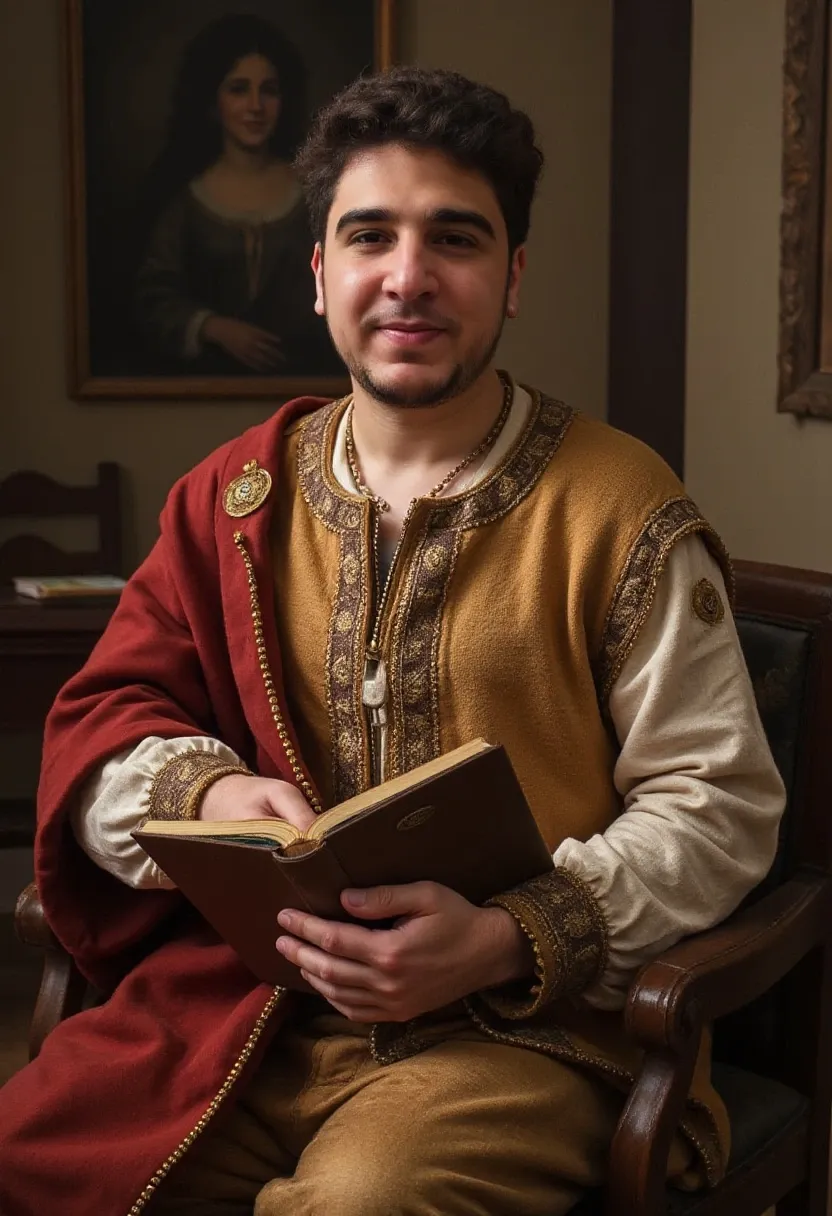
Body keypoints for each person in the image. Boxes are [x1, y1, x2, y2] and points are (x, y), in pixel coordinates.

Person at [0, 67, 784, 1215]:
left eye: (455, 240)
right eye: (369, 236)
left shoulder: (620, 507)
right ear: (319, 276)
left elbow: (717, 805)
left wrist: (509, 938)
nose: (408, 278)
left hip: (520, 1037)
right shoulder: (231, 497)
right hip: (242, 1013)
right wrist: (211, 798)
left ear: (511, 277)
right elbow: (106, 728)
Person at [134, 13, 341, 376]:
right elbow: (154, 298)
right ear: (213, 101)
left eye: (269, 90)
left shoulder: (313, 192)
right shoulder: (185, 202)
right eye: (239, 89)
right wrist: (212, 327)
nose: (256, 106)